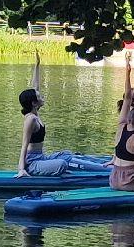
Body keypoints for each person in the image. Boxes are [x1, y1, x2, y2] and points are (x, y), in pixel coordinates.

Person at [16, 50, 112, 178]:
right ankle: (107, 170)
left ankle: (104, 164)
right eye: (40, 97)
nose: (43, 97)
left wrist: (37, 64)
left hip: (41, 158)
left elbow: (35, 87)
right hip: (32, 163)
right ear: (34, 103)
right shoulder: (31, 119)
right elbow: (24, 144)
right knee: (62, 163)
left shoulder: (35, 113)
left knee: (66, 155)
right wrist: (21, 169)